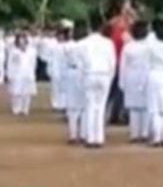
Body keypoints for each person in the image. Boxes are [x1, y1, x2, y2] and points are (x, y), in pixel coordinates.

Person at [79, 14, 117, 148]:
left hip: (89, 74)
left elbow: (80, 64)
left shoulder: (82, 43)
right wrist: (110, 77)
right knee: (100, 107)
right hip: (104, 75)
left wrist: (83, 77)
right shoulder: (108, 43)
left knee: (90, 106)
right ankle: (99, 137)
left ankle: (90, 138)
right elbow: (112, 62)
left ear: (89, 27)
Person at [119, 21, 150, 143]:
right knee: (145, 107)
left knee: (134, 108)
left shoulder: (128, 47)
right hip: (145, 75)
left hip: (131, 76)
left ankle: (135, 134)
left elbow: (123, 65)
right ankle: (145, 133)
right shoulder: (149, 47)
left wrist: (122, 81)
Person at [64, 23, 87, 144]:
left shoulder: (68, 46)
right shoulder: (86, 46)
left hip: (72, 73)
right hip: (82, 73)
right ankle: (83, 134)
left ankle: (73, 134)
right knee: (84, 106)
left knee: (73, 106)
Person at [7, 33, 37, 116]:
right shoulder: (13, 51)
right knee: (16, 93)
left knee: (27, 93)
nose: (22, 41)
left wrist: (32, 74)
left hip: (28, 73)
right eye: (20, 40)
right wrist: (10, 74)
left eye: (23, 39)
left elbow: (33, 63)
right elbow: (10, 63)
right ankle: (16, 108)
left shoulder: (32, 51)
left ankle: (25, 109)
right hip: (17, 74)